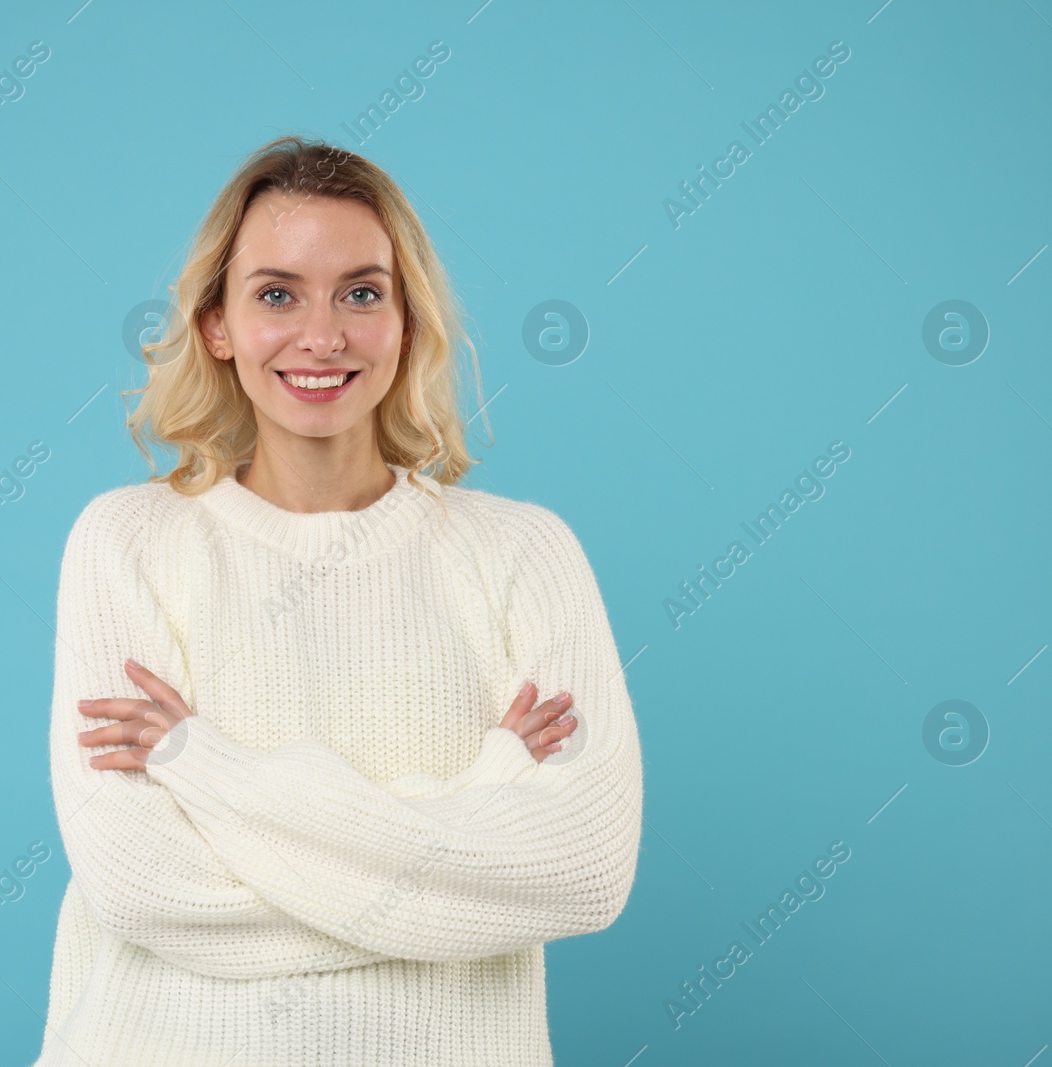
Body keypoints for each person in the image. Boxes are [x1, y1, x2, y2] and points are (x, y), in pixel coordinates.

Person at [32, 134, 643, 1066]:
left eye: (362, 292)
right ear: (216, 326)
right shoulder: (128, 542)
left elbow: (583, 870)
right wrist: (482, 802)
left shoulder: (523, 552)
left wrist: (204, 767)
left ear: (407, 321)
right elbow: (143, 886)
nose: (323, 336)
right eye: (277, 293)